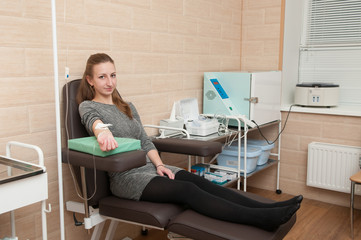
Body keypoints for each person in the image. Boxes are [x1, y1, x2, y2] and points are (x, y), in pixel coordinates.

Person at [77, 53, 302, 231]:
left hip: (150, 169)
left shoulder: (127, 106)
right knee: (187, 191)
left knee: (199, 182)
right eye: (102, 77)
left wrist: (160, 166)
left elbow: (145, 141)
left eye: (113, 75)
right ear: (90, 80)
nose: (109, 82)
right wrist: (102, 132)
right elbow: (93, 122)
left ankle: (269, 207)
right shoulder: (89, 106)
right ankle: (261, 219)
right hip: (127, 179)